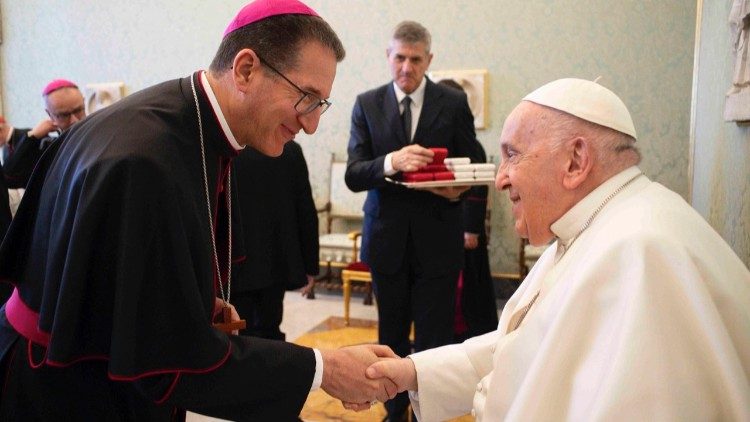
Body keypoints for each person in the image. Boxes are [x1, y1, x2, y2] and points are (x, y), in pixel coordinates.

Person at [0, 1, 398, 420]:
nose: (311, 124)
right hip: (65, 395)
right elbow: (168, 358)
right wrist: (325, 369)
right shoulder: (144, 160)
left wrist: (195, 299)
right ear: (245, 69)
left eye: (321, 105)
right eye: (306, 98)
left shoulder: (187, 124)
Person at [360, 78, 750, 421]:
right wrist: (415, 372)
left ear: (576, 160)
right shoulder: (595, 224)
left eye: (512, 154)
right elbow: (523, 345)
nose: (499, 179)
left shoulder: (642, 254)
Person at [344, 21, 484, 421]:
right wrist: (393, 162)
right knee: (389, 334)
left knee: (434, 339)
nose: (407, 67)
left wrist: (457, 192)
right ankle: (394, 411)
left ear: (429, 60)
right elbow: (354, 174)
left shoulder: (453, 103)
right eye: (400, 57)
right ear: (389, 57)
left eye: (415, 59)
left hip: (439, 240)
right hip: (387, 240)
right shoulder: (366, 104)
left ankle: (429, 413)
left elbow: (472, 164)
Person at [232, 140, 319, 340]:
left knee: (236, 333)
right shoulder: (289, 149)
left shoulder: (228, 149)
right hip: (277, 262)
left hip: (235, 262)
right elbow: (305, 210)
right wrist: (310, 266)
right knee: (270, 329)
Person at [436, 78, 498, 342]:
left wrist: (471, 228)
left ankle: (469, 336)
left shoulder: (471, 144)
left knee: (469, 291)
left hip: (465, 231)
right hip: (442, 228)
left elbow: (478, 188)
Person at [2, 79, 84, 188]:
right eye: (64, 115)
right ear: (50, 114)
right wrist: (31, 137)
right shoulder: (46, 145)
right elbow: (7, 177)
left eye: (78, 110)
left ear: (84, 102)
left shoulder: (98, 135)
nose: (74, 120)